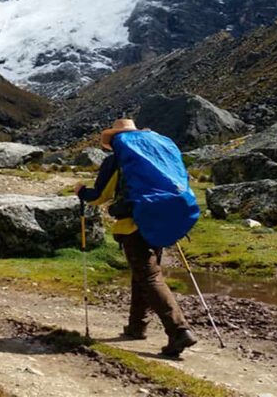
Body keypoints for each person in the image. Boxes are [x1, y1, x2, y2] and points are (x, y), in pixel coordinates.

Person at [75, 119, 199, 357]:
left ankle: (179, 331)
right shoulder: (155, 156)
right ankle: (137, 326)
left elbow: (99, 196)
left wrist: (82, 191)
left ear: (115, 141)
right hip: (161, 221)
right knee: (143, 274)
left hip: (134, 225)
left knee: (149, 276)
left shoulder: (117, 160)